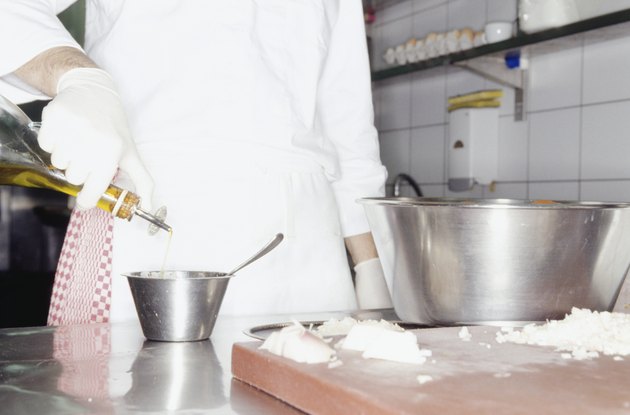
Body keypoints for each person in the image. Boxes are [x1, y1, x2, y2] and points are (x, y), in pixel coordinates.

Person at [0, 0, 392, 324]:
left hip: (304, 245)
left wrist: (371, 266)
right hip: (144, 203)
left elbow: (349, 125)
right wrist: (79, 77)